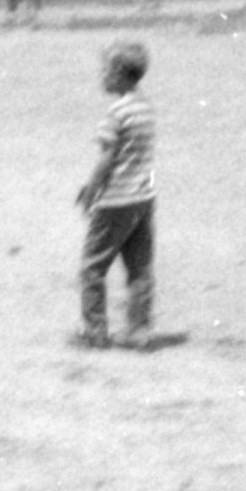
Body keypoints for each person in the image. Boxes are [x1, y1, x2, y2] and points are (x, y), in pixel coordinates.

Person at [73, 41, 157, 350]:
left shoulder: (115, 113)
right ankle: (139, 330)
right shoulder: (145, 108)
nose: (101, 76)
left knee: (92, 267)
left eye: (105, 70)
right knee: (140, 268)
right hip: (143, 198)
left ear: (120, 74)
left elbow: (107, 158)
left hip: (115, 201)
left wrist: (90, 190)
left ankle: (95, 332)